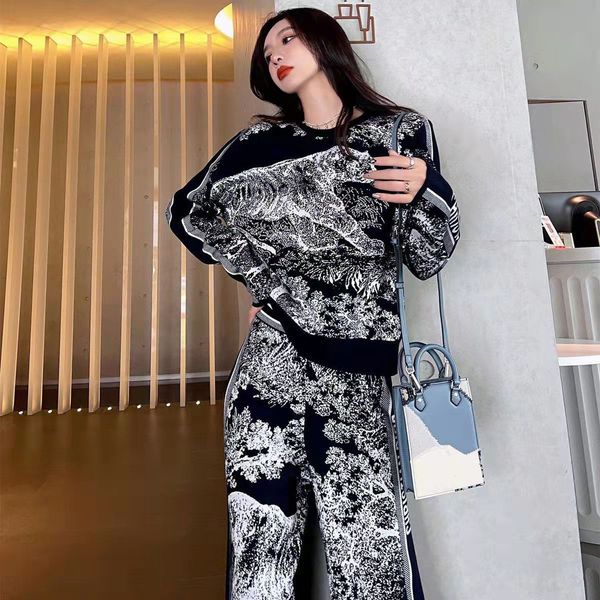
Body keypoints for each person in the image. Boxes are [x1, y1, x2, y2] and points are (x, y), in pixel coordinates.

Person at [166, 7, 460, 599]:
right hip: (269, 366)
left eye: (288, 38)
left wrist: (427, 188)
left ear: (326, 42)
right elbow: (189, 212)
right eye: (266, 50)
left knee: (371, 557)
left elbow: (428, 257)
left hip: (356, 375)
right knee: (261, 552)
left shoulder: (399, 132)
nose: (275, 53)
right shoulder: (257, 144)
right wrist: (263, 279)